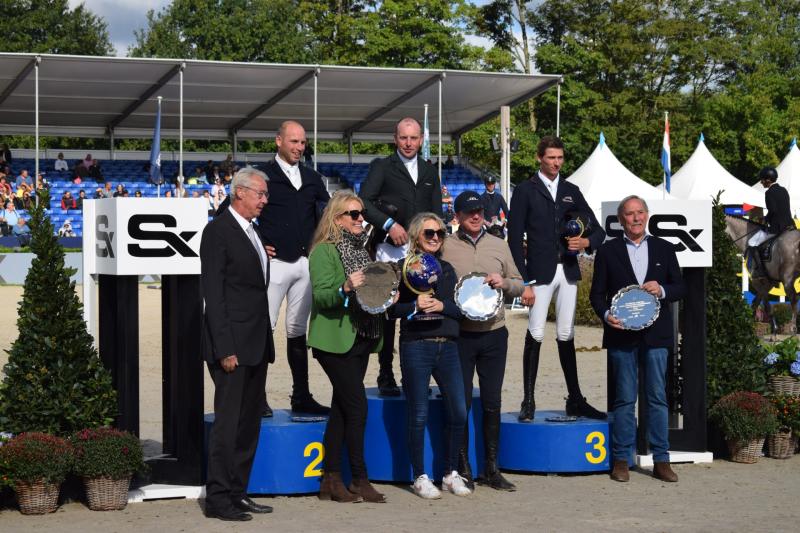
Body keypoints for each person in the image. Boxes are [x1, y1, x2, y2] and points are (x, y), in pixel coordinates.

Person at [508, 136, 606, 421]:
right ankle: (528, 400)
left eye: (560, 158)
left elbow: (597, 230)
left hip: (568, 271)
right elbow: (514, 239)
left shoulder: (571, 190)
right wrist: (524, 280)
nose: (556, 163)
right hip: (539, 273)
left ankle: (575, 398)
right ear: (539, 157)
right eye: (551, 157)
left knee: (566, 334)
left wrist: (586, 243)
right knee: (536, 332)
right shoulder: (526, 190)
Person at [589, 195, 685, 483]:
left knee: (657, 398)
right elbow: (597, 294)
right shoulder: (608, 251)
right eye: (629, 214)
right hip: (621, 336)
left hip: (656, 337)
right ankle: (621, 459)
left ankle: (661, 460)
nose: (635, 218)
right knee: (624, 399)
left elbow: (681, 287)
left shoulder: (665, 248)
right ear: (621, 220)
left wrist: (663, 290)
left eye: (640, 212)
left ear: (647, 215)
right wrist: (607, 315)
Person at [201, 167, 274, 521]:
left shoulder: (253, 232)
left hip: (257, 343)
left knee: (248, 425)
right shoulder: (218, 231)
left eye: (265, 194)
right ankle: (217, 498)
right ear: (239, 193)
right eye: (260, 194)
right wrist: (225, 348)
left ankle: (237, 491)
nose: (265, 200)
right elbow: (214, 296)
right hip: (232, 347)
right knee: (227, 426)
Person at [441, 191, 524, 492]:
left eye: (478, 211)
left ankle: (492, 467)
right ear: (458, 216)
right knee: (459, 403)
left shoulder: (499, 245)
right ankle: (463, 467)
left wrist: (505, 283)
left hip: (494, 333)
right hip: (460, 335)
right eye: (468, 212)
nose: (475, 216)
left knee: (492, 402)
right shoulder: (445, 246)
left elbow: (519, 284)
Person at [307, 191, 386, 504]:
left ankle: (330, 479)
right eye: (353, 214)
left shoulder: (362, 249)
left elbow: (371, 294)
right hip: (334, 341)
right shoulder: (322, 252)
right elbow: (323, 297)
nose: (360, 219)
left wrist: (385, 293)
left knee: (341, 411)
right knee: (357, 408)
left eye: (361, 213)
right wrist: (346, 287)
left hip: (361, 336)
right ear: (336, 218)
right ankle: (359, 478)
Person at [388, 212, 469, 499]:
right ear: (415, 237)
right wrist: (413, 307)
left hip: (447, 345)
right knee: (419, 412)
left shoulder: (447, 270)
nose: (435, 237)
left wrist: (441, 306)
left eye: (440, 234)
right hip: (416, 345)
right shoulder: (400, 269)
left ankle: (449, 472)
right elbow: (387, 310)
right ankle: (419, 476)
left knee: (459, 410)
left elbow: (461, 309)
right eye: (429, 233)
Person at [359, 117, 442, 396]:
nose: (409, 143)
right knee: (389, 313)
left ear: (421, 140)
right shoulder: (381, 167)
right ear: (396, 138)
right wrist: (388, 224)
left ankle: (413, 374)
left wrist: (432, 242)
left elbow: (436, 214)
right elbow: (364, 202)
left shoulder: (430, 172)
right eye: (404, 138)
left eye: (414, 138)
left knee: (415, 311)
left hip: (419, 253)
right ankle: (385, 372)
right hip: (388, 249)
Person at [255, 120, 331, 416]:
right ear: (278, 141)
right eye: (294, 142)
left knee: (298, 332)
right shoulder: (263, 176)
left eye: (303, 143)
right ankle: (257, 397)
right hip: (274, 265)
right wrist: (259, 241)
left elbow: (328, 216)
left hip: (305, 265)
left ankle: (301, 396)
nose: (299, 147)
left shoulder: (313, 178)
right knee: (264, 329)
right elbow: (233, 212)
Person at [746, 166, 794, 277]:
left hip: (777, 228)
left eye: (762, 179)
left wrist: (765, 219)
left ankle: (760, 270)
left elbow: (773, 210)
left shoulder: (769, 193)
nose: (761, 182)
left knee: (752, 243)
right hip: (790, 226)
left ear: (768, 180)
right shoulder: (783, 190)